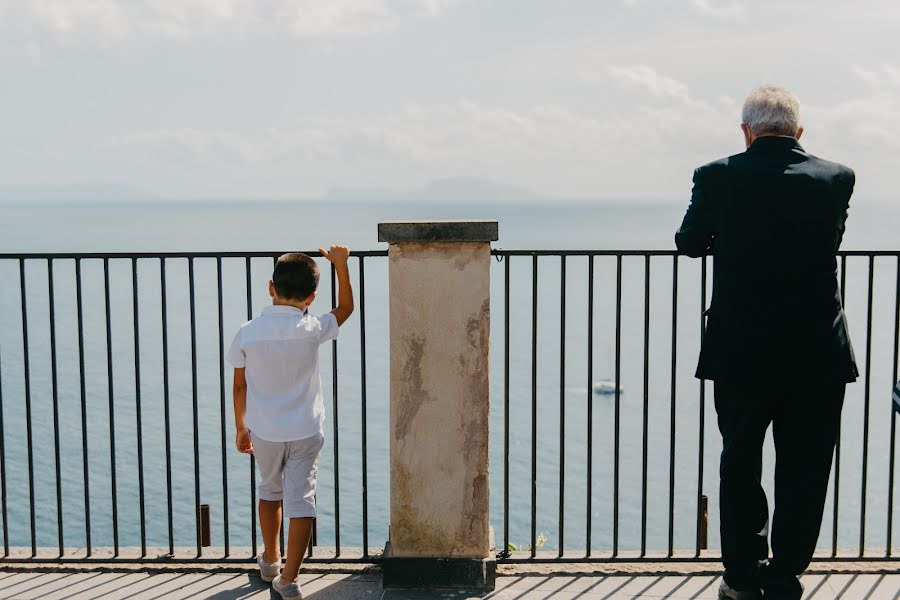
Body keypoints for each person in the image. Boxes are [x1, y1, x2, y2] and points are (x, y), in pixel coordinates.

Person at [675, 85, 857, 600]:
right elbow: (827, 238)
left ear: (746, 131)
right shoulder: (837, 178)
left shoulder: (716, 176)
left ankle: (740, 575)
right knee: (806, 467)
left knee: (740, 463)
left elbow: (689, 243)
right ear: (800, 132)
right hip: (817, 351)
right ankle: (784, 576)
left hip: (741, 350)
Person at [227, 247, 354, 599]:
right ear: (312, 297)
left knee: (269, 491)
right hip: (306, 430)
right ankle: (289, 578)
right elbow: (345, 309)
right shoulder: (312, 327)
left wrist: (241, 426)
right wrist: (341, 266)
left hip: (264, 430)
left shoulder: (247, 332)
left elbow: (240, 385)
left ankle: (269, 559)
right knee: (303, 501)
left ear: (271, 287)